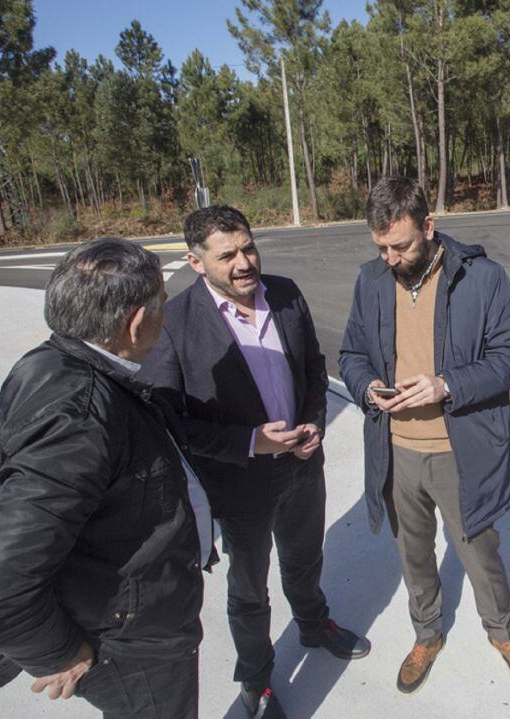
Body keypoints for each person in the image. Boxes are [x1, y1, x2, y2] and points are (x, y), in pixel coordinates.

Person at [0, 238, 212, 718]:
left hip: (130, 617)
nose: (167, 311)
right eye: (162, 301)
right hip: (132, 649)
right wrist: (58, 651)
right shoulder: (81, 417)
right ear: (137, 321)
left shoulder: (57, 365)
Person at [139, 205, 368, 719]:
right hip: (239, 484)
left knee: (305, 557)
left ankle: (313, 622)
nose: (244, 263)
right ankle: (257, 679)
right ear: (197, 263)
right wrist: (249, 442)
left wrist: (312, 422)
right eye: (227, 256)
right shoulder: (175, 322)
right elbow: (168, 419)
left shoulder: (285, 292)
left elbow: (313, 367)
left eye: (248, 248)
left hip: (303, 464)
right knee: (249, 588)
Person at [339, 176, 510, 694]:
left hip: (460, 451)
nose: (389, 257)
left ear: (429, 226)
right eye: (379, 246)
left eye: (400, 245)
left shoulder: (483, 278)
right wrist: (366, 388)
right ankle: (427, 633)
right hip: (396, 452)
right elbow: (351, 354)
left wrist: (444, 385)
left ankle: (503, 632)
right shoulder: (371, 280)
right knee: (414, 554)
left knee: (480, 552)